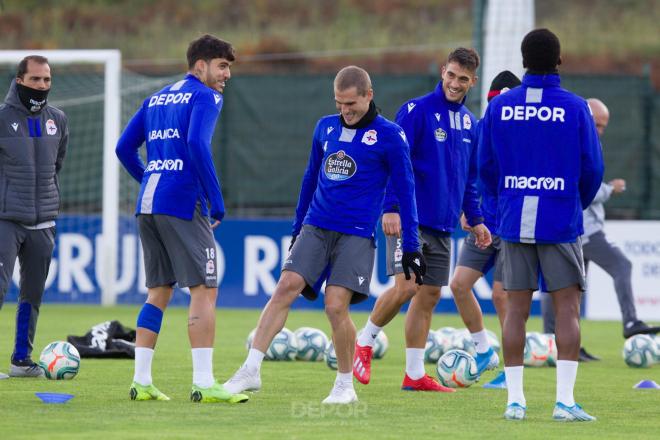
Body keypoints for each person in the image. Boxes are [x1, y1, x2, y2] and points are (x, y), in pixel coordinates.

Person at [223, 65, 426, 404]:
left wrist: (412, 246)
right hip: (315, 226)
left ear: (368, 95)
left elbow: (406, 192)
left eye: (351, 104)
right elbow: (308, 180)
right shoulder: (324, 127)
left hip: (357, 234)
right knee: (285, 287)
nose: (345, 111)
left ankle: (344, 386)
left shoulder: (390, 135)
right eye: (339, 104)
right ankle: (251, 369)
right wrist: (296, 228)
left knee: (335, 307)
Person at [479, 29, 603, 421]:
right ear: (559, 61)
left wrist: (502, 205)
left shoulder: (500, 108)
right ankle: (564, 402)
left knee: (515, 310)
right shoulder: (576, 107)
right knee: (567, 308)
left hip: (514, 220)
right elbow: (592, 168)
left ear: (523, 61)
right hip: (560, 218)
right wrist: (570, 203)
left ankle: (515, 401)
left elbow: (484, 166)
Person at [353, 48, 494, 393]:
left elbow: (468, 179)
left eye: (463, 79)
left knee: (428, 294)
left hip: (444, 225)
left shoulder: (470, 124)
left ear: (473, 81)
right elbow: (391, 161)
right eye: (451, 75)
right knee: (406, 287)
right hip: (410, 220)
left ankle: (414, 375)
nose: (455, 83)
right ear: (443, 71)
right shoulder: (417, 111)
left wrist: (475, 219)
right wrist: (391, 207)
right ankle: (365, 339)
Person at [116, 34, 248, 404]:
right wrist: (217, 201)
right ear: (201, 65)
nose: (227, 75)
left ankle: (141, 382)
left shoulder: (155, 98)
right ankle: (204, 383)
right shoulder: (207, 96)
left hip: (148, 203)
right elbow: (196, 144)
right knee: (205, 289)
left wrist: (150, 177)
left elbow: (124, 148)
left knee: (158, 292)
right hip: (182, 202)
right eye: (222, 66)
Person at [540, 98, 660, 360]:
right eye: (597, 124)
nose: (600, 131)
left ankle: (556, 341)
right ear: (585, 117)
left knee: (568, 289)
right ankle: (630, 322)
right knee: (621, 266)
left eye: (604, 126)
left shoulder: (573, 141)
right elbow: (580, 187)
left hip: (575, 229)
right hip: (584, 229)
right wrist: (610, 189)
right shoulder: (575, 143)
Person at [451, 70, 522, 389]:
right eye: (495, 102)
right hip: (483, 224)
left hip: (511, 226)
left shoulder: (528, 136)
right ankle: (483, 350)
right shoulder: (480, 129)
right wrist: (470, 211)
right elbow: (469, 176)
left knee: (501, 295)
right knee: (459, 285)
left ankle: (511, 371)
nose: (499, 109)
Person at [0, 56, 68, 379]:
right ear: (19, 81)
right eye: (36, 79)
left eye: (47, 80)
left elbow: (57, 164)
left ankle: (21, 360)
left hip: (44, 222)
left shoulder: (59, 120)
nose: (42, 85)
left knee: (32, 295)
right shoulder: (1, 119)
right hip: (6, 220)